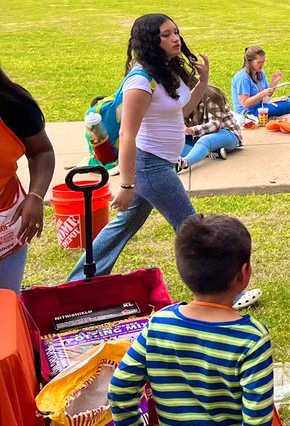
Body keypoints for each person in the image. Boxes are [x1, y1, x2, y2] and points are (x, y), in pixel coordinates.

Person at [109, 213, 273, 426]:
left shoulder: (158, 323)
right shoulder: (252, 337)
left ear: (183, 272)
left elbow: (119, 390)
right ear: (244, 274)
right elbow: (257, 419)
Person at [69, 14, 210, 280]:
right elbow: (127, 133)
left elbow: (181, 110)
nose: (175, 38)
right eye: (166, 35)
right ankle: (223, 289)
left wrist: (202, 82)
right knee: (193, 228)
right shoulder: (140, 81)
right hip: (150, 165)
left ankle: (79, 282)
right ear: (150, 41)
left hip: (160, 162)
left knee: (123, 226)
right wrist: (126, 185)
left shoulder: (165, 71)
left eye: (176, 32)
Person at [0, 66, 55, 292]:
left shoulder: (11, 105)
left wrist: (35, 196)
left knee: (6, 306)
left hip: (6, 222)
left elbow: (41, 151)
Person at [178, 86, 243, 172]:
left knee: (205, 140)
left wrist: (191, 130)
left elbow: (215, 125)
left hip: (228, 134)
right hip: (201, 136)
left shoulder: (211, 96)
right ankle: (209, 153)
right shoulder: (179, 101)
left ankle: (184, 163)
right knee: (175, 142)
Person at [231, 45, 290, 121]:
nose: (261, 65)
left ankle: (281, 115)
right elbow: (245, 103)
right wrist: (262, 94)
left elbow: (267, 96)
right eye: (259, 62)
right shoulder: (242, 78)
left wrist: (273, 83)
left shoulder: (260, 73)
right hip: (248, 112)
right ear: (250, 62)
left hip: (261, 105)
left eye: (263, 61)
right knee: (286, 105)